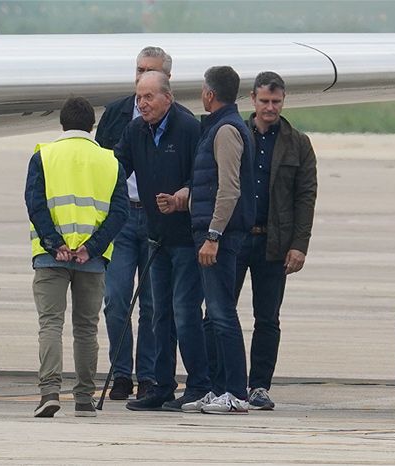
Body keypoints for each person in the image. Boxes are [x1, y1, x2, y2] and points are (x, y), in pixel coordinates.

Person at [114, 71, 212, 412]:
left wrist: (184, 195)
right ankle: (161, 386)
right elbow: (117, 168)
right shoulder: (135, 130)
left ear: (167, 98)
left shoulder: (187, 128)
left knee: (185, 312)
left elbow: (203, 176)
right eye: (139, 97)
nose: (142, 103)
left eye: (149, 97)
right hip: (155, 236)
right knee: (159, 316)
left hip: (186, 238)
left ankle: (199, 385)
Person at [25, 97, 128, 418]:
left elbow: (35, 204)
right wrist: (91, 247)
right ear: (92, 125)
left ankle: (49, 392)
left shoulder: (43, 155)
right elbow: (119, 213)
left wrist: (55, 243)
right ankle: (84, 397)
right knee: (86, 328)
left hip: (49, 256)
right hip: (92, 261)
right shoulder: (110, 161)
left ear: (62, 123)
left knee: (50, 324)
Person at [95, 46, 173, 400]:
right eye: (139, 69)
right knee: (115, 299)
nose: (142, 76)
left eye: (150, 71)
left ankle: (148, 375)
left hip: (158, 217)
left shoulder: (179, 119)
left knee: (153, 303)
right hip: (122, 216)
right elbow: (100, 165)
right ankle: (121, 372)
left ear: (166, 79)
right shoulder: (115, 114)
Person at [237, 71, 317, 410]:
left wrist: (299, 245)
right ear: (252, 100)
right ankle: (221, 380)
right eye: (265, 101)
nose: (270, 107)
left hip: (275, 243)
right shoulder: (234, 134)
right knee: (219, 313)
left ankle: (259, 385)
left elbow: (306, 196)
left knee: (267, 318)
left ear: (283, 102)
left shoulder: (298, 143)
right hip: (236, 239)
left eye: (276, 101)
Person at [182, 66, 255, 414]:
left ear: (210, 94)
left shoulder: (226, 130)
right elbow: (208, 184)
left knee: (223, 313)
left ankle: (236, 392)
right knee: (214, 315)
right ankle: (217, 388)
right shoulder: (217, 127)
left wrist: (213, 235)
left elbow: (229, 189)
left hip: (220, 237)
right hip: (210, 232)